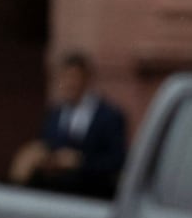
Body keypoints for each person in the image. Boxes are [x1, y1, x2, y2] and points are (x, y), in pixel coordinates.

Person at [22, 51, 128, 199]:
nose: (68, 83)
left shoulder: (109, 116)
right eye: (64, 77)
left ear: (87, 79)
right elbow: (46, 145)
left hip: (92, 197)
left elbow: (117, 160)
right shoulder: (54, 114)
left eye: (73, 77)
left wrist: (81, 162)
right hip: (55, 196)